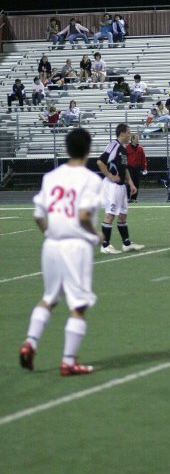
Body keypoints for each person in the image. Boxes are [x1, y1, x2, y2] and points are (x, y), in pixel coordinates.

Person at [19, 128, 103, 376]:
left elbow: (38, 215)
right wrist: (94, 233)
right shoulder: (91, 179)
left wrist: (49, 233)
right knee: (78, 305)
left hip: (52, 244)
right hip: (76, 246)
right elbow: (84, 215)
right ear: (88, 149)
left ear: (67, 148)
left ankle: (30, 342)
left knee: (49, 297)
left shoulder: (51, 177)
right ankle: (68, 361)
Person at [97, 123, 145, 254]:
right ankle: (105, 245)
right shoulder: (113, 145)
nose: (130, 135)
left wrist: (131, 183)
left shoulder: (123, 149)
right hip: (112, 186)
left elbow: (124, 169)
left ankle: (126, 244)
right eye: (129, 132)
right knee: (110, 214)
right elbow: (100, 162)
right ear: (122, 133)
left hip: (121, 186)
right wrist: (110, 176)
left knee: (123, 215)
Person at [126, 133, 147, 202]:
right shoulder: (127, 147)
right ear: (132, 139)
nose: (138, 140)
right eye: (136, 139)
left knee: (136, 183)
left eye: (138, 139)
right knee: (129, 183)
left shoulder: (140, 148)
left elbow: (143, 159)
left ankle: (134, 198)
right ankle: (128, 197)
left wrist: (144, 168)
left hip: (137, 168)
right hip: (129, 168)